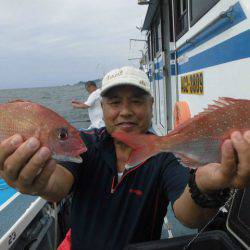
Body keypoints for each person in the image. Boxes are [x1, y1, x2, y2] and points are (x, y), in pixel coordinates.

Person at [0, 66, 250, 250]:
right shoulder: (85, 144)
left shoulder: (164, 156)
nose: (126, 111)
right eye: (115, 102)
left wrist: (205, 185)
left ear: (152, 104)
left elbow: (188, 215)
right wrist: (37, 179)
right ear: (103, 107)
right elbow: (57, 185)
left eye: (137, 101)